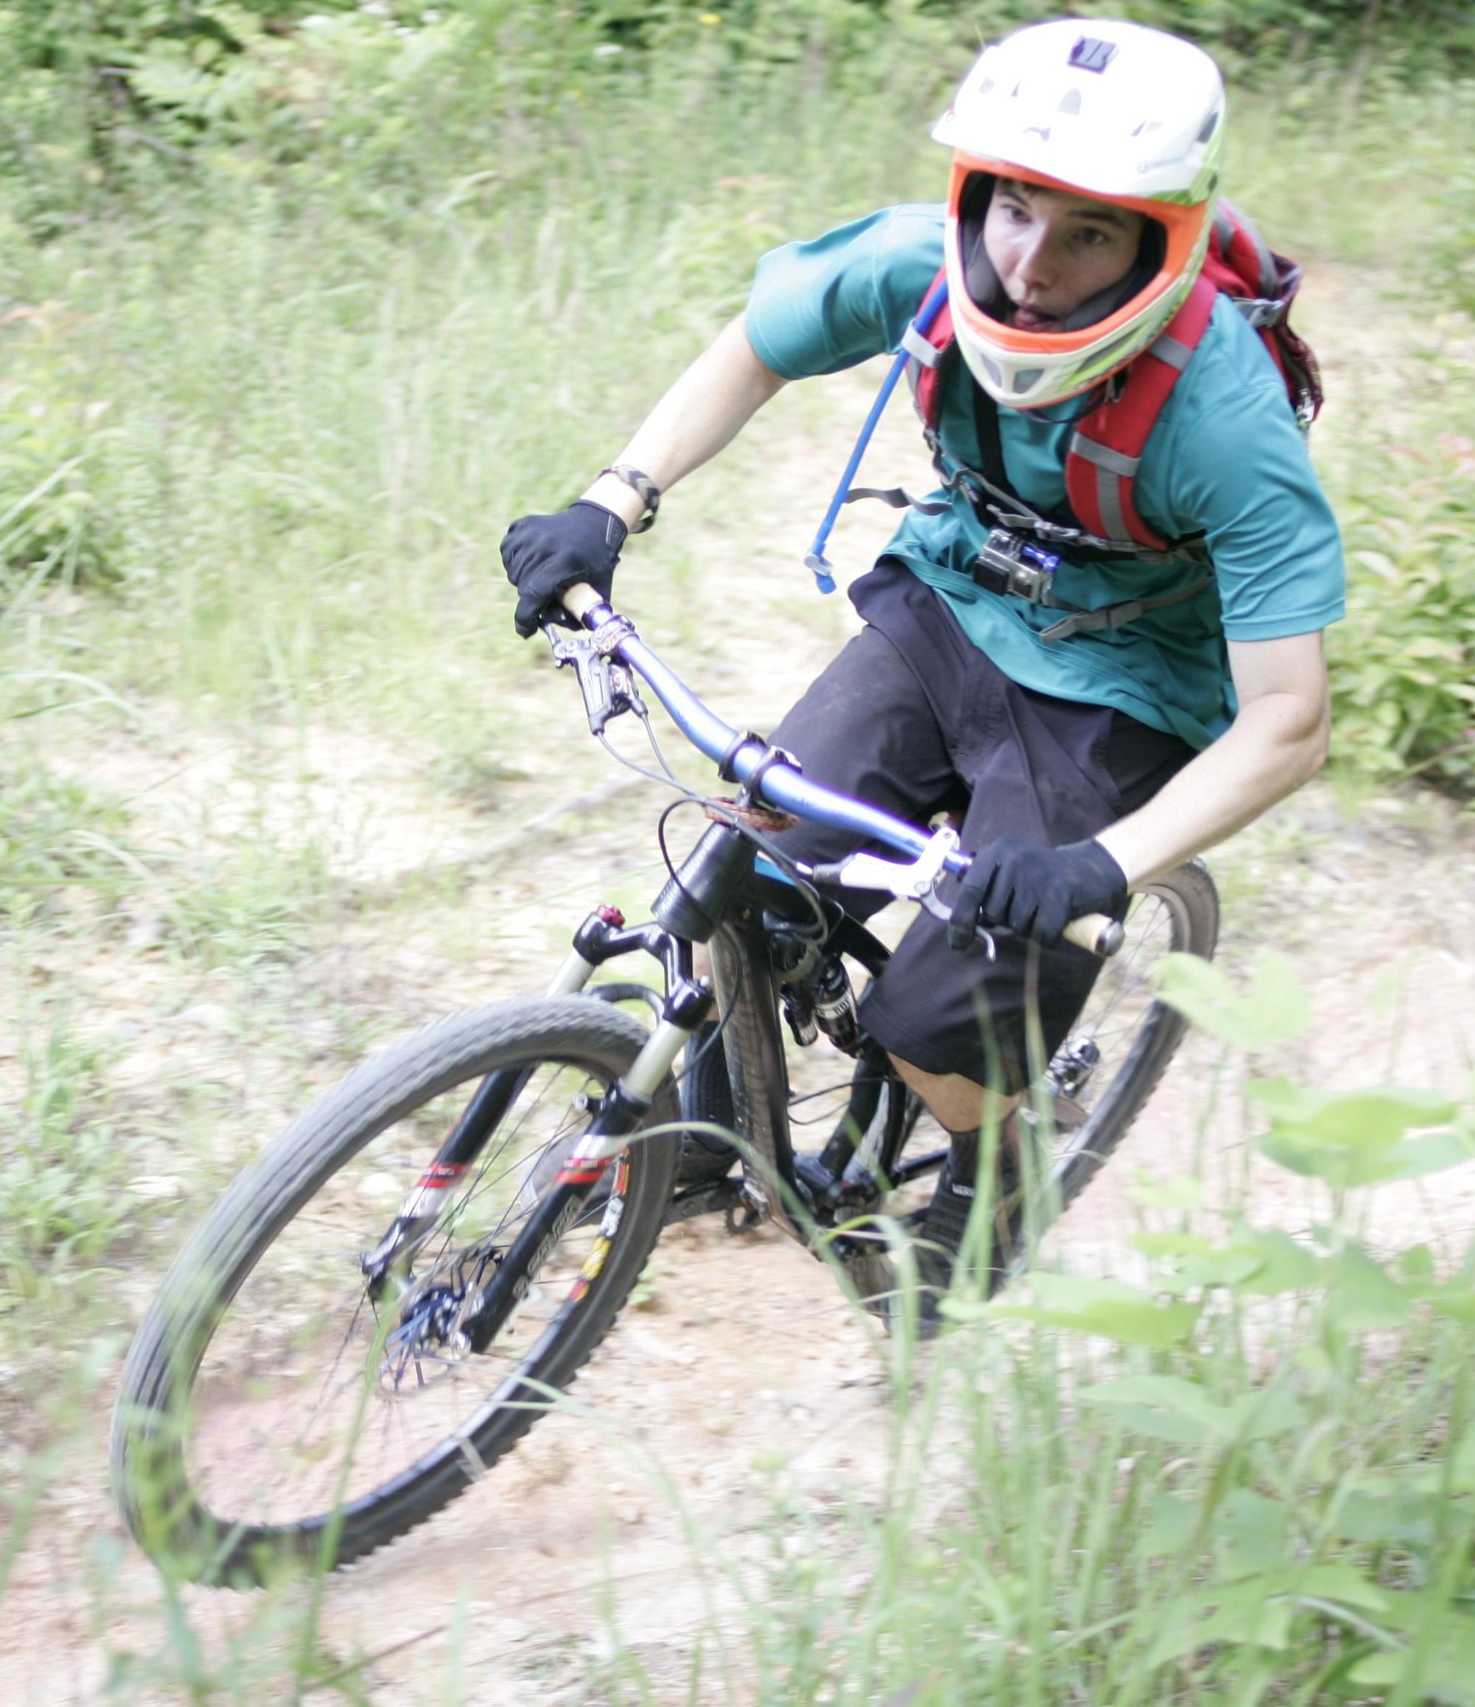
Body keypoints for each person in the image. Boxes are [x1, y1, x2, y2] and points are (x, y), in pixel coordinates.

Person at [499, 20, 1344, 1314]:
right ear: (977, 192)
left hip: (1121, 689)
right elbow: (761, 339)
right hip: (951, 605)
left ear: (1158, 242)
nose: (1031, 264)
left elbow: (1291, 721)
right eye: (1014, 209)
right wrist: (613, 502)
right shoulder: (928, 268)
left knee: (938, 1020)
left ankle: (997, 1159)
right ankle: (726, 1147)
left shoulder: (1219, 415)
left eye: (1089, 234)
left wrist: (1100, 866)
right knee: (750, 865)